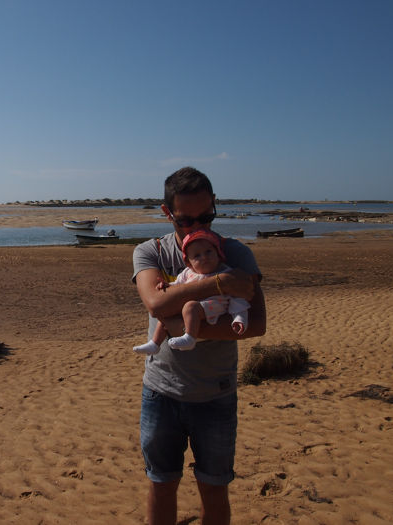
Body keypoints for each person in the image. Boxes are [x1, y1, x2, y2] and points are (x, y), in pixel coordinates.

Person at [132, 167, 266, 525]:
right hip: (160, 393)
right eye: (185, 220)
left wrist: (185, 325)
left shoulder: (235, 252)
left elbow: (256, 324)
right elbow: (156, 304)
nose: (196, 227)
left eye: (206, 217)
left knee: (214, 487)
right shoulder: (151, 251)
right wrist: (220, 283)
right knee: (161, 484)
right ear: (167, 213)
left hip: (215, 396)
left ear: (215, 205)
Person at [132, 229, 250, 356]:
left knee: (190, 307)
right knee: (168, 312)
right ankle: (155, 343)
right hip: (193, 308)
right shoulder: (188, 272)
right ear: (189, 263)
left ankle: (190, 338)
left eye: (209, 252)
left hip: (215, 305)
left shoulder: (225, 273)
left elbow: (237, 298)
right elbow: (177, 285)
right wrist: (167, 286)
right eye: (197, 256)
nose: (204, 257)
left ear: (218, 254)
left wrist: (239, 317)